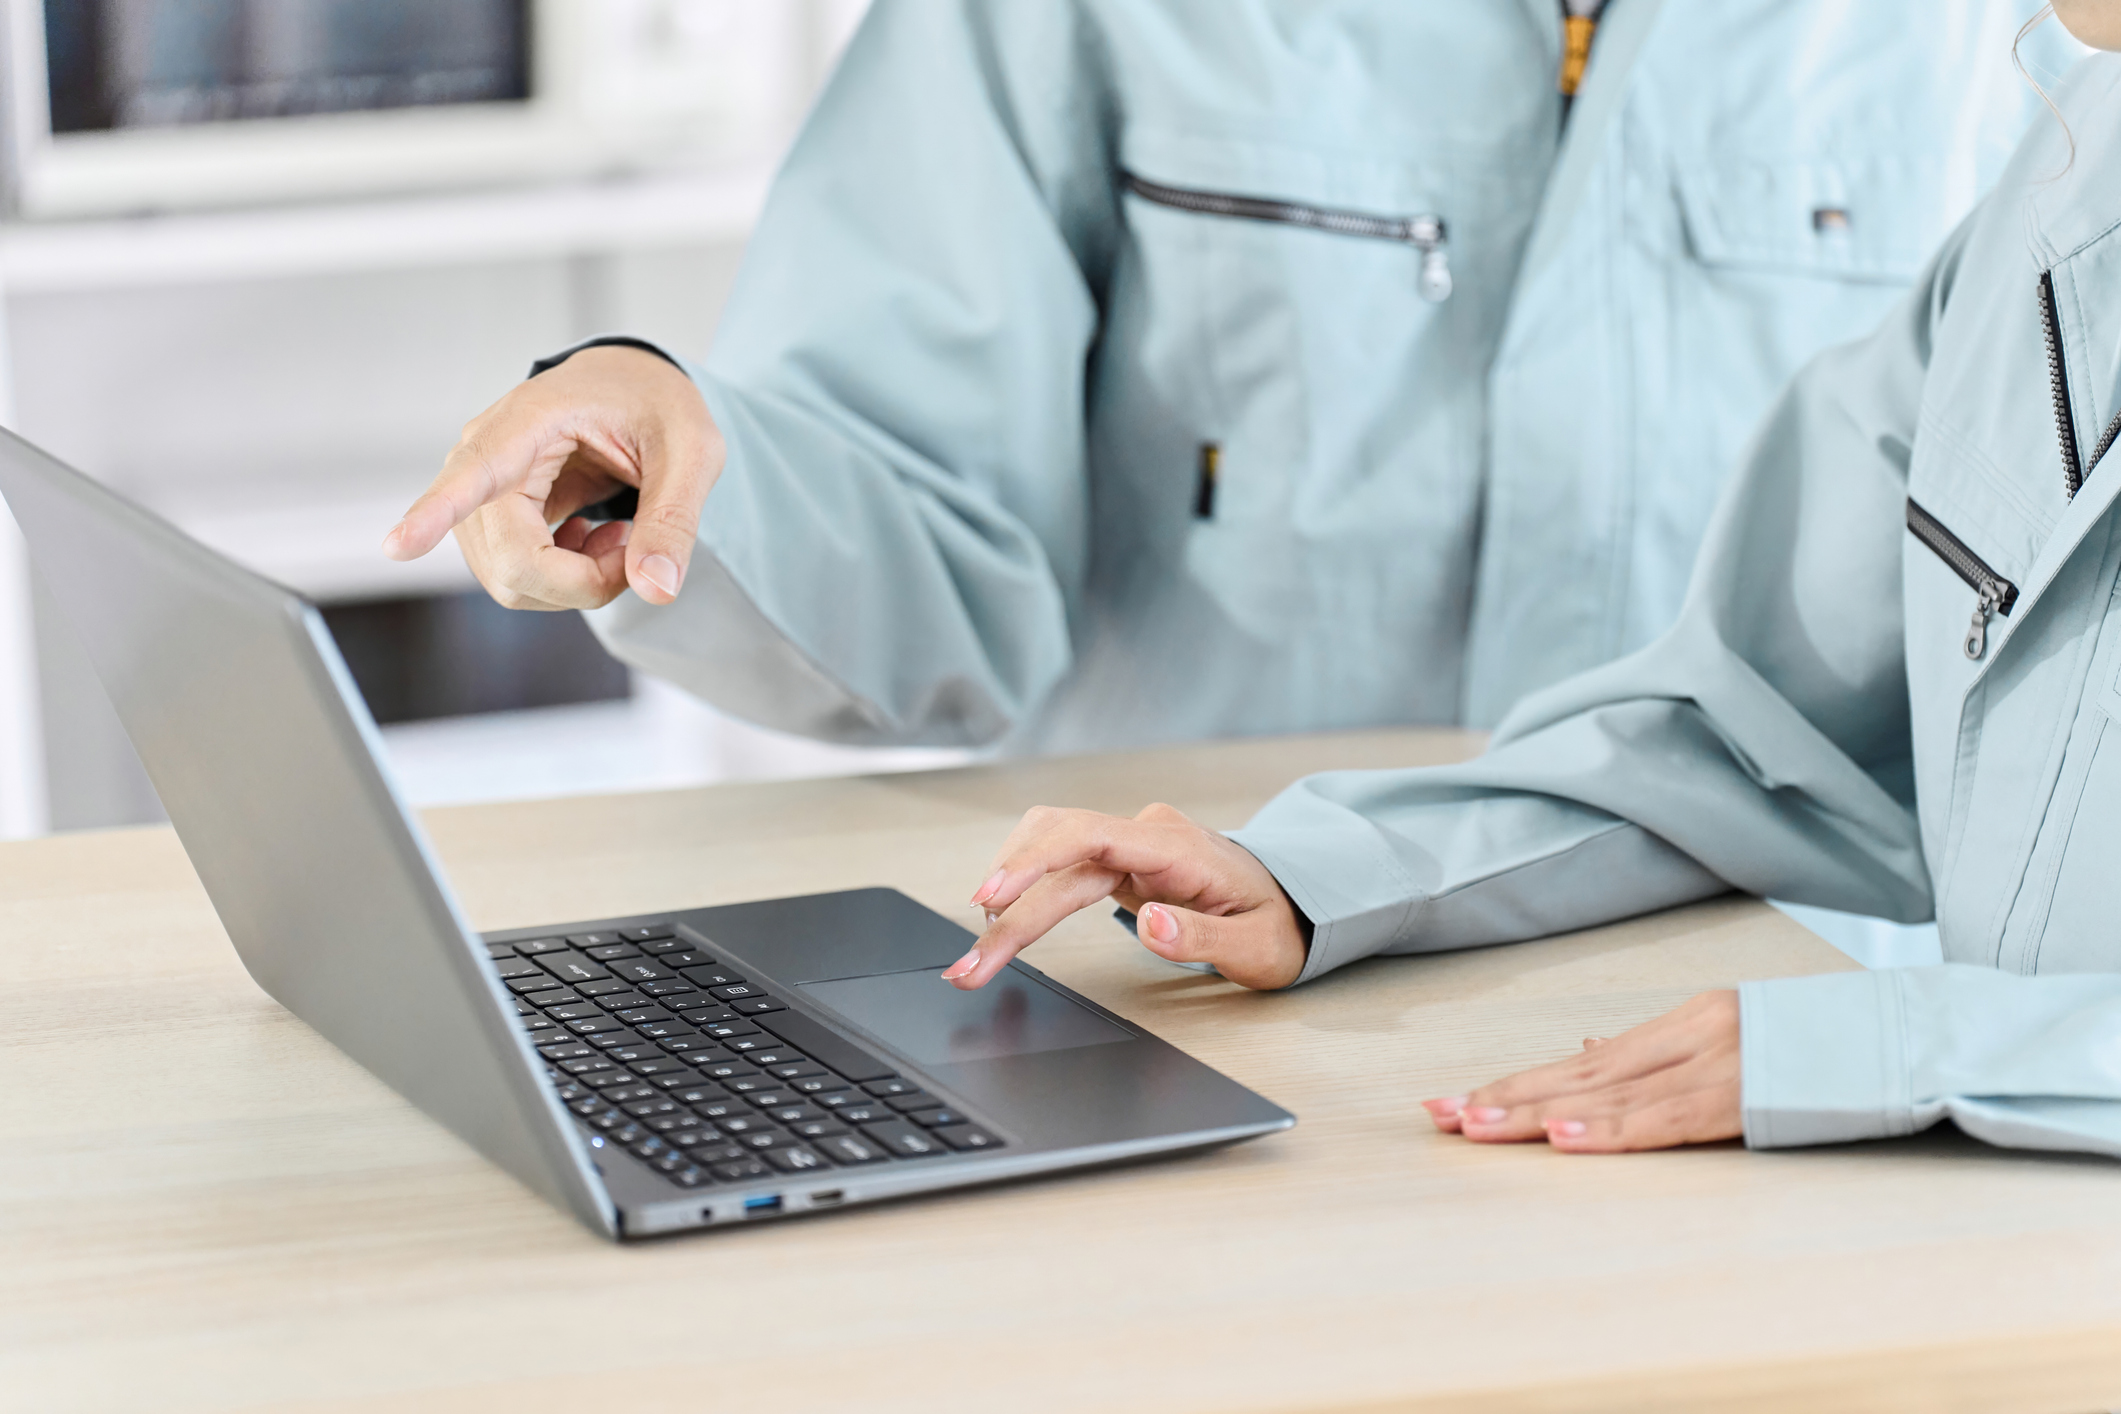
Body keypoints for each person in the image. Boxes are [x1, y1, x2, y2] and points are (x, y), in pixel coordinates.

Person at [956, 0, 2121, 1163]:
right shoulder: (2061, 187)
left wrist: (1916, 1047)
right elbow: (1754, 726)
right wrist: (1309, 874)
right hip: (1994, 1220)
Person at [383, 2, 2062, 758]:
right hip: (1182, 990)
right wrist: (678, 465)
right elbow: (923, 515)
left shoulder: (2018, 29)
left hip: (1779, 1025)